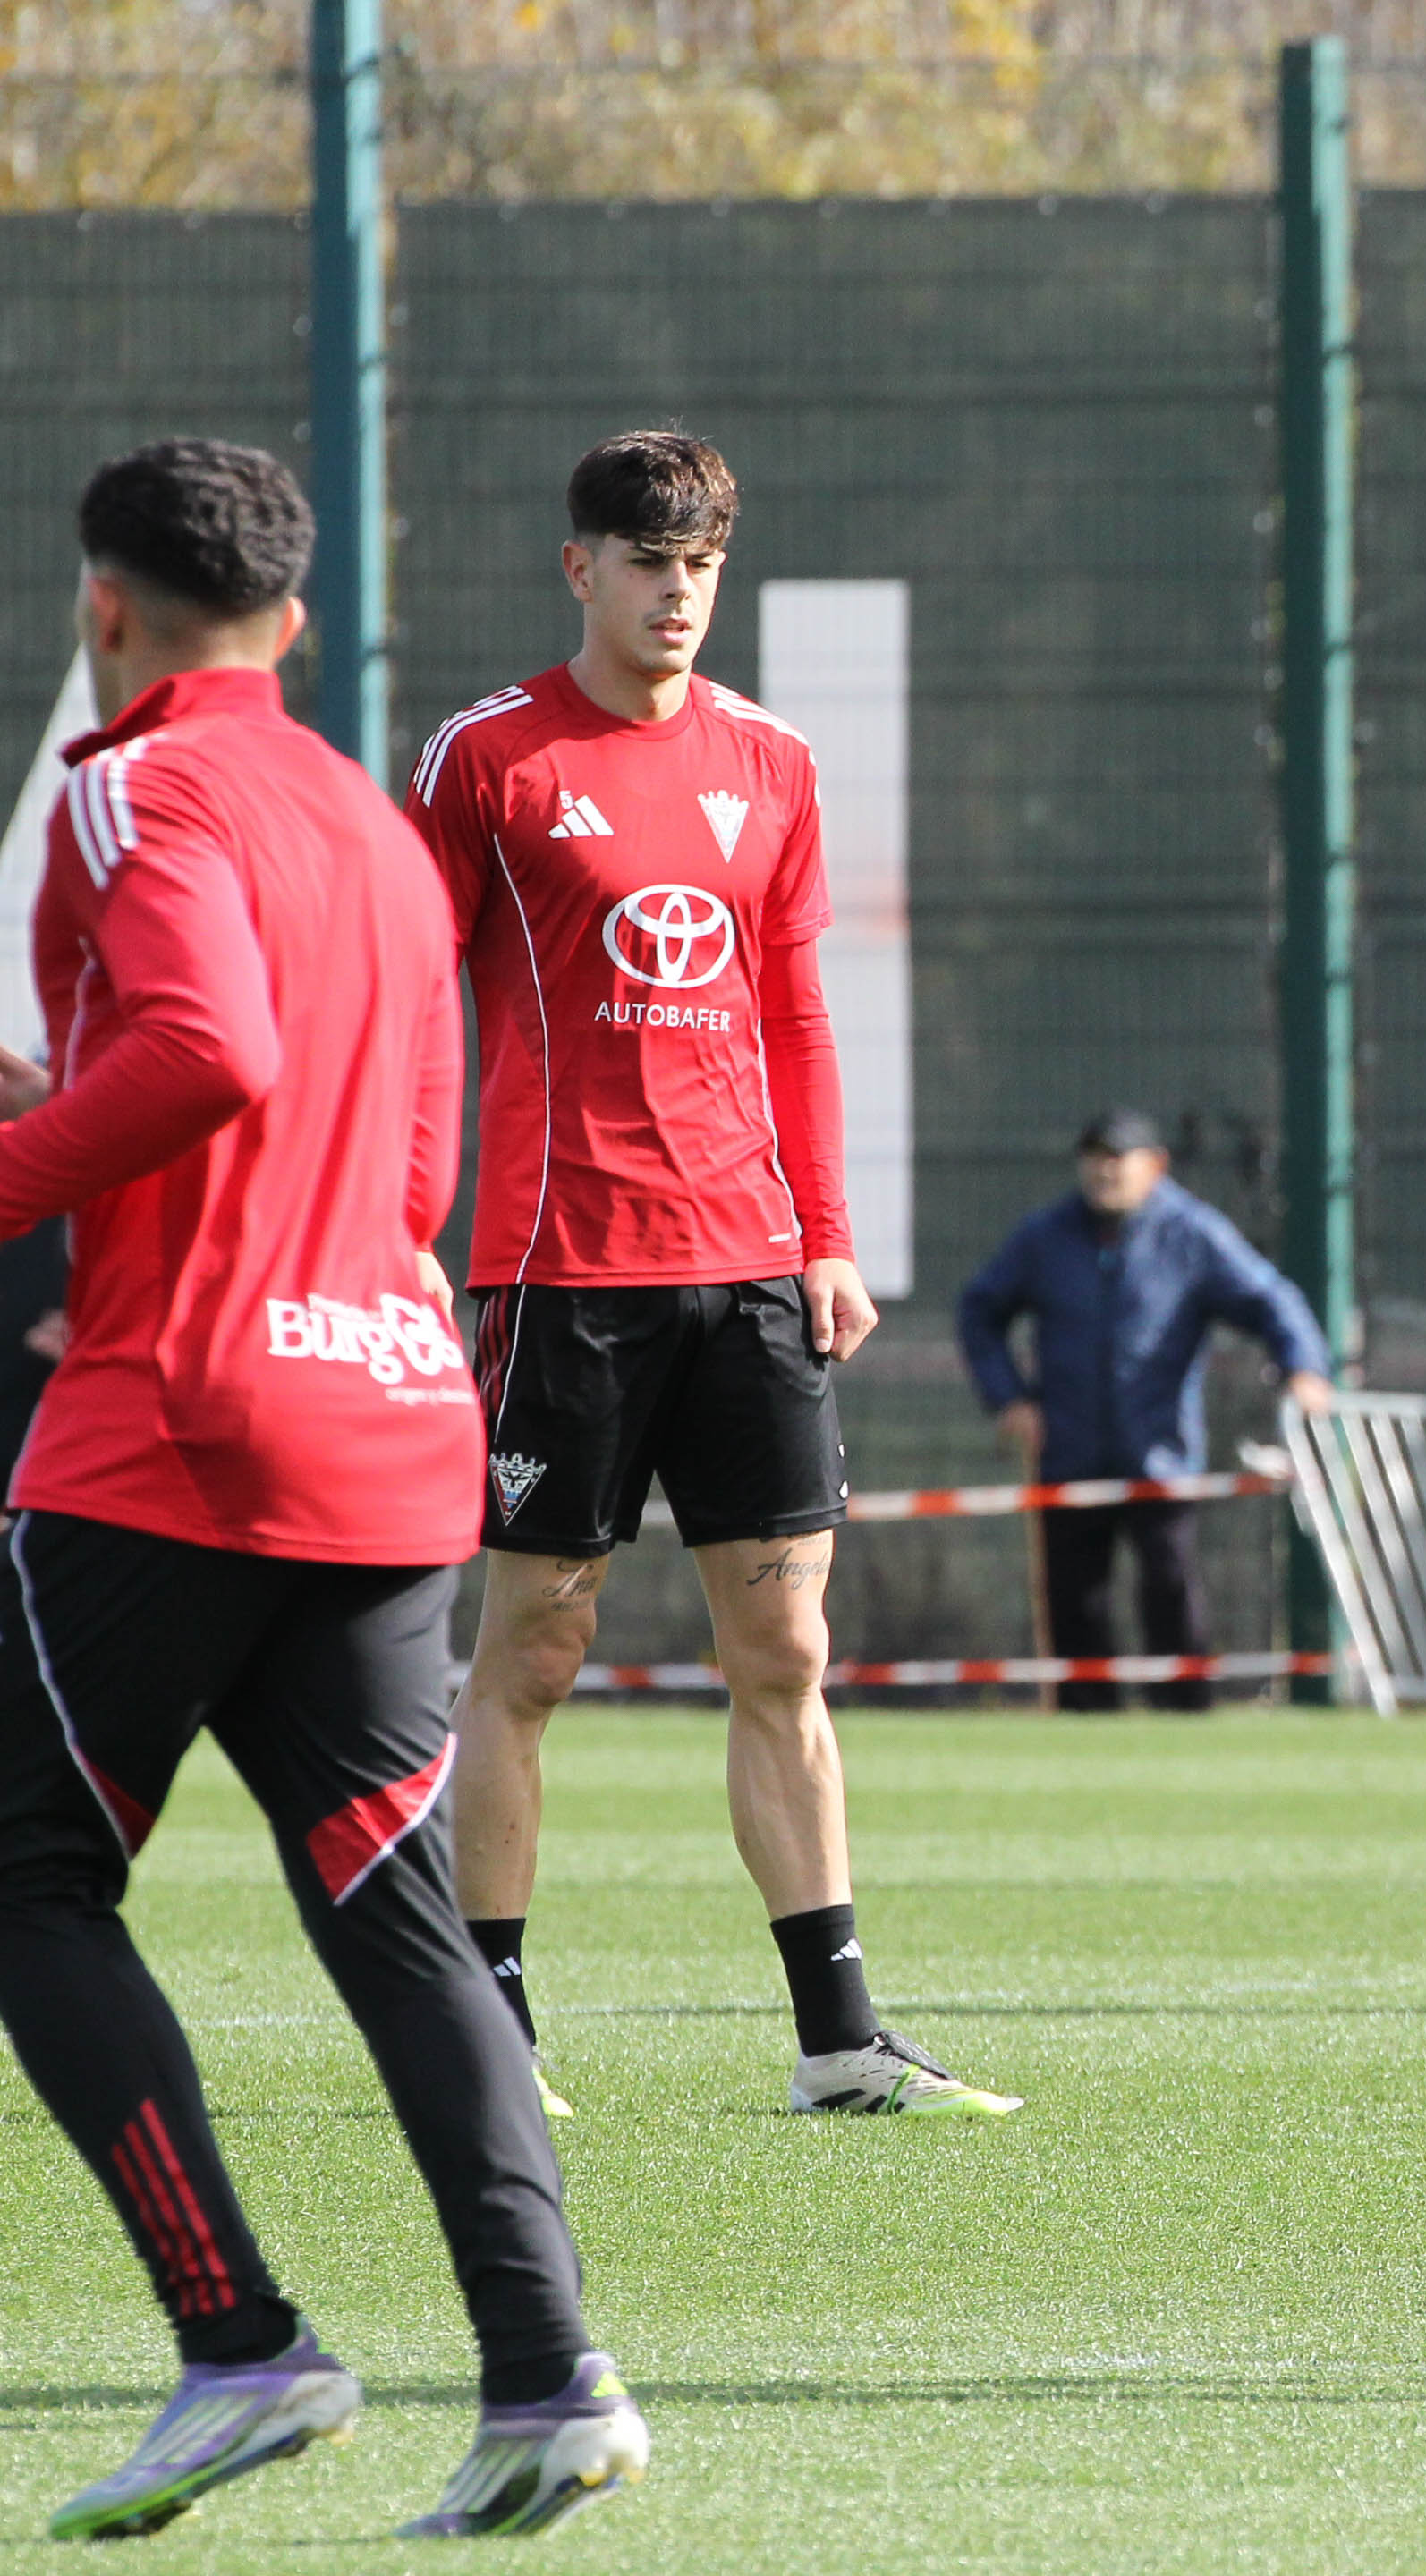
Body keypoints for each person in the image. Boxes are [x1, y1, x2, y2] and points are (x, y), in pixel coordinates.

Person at [0, 439, 646, 2541]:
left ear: (106, 610)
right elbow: (406, 1153)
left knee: (26, 1878)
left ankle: (240, 2338)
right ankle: (553, 2377)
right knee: (399, 1919)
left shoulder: (126, 784)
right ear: (290, 617)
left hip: (186, 1422)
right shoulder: (376, 827)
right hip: (385, 1414)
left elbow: (203, 1049)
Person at [407, 429, 1016, 2118]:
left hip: (749, 1272)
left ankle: (839, 2040)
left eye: (700, 565)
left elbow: (798, 1020)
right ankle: (492, 2035)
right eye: (645, 561)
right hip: (557, 1274)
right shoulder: (489, 758)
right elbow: (402, 997)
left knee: (788, 1652)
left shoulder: (774, 760)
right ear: (579, 567)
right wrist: (404, 1225)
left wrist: (826, 1232)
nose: (675, 593)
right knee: (533, 1646)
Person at [957, 1111, 1337, 1711]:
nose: (1104, 1170)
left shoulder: (1191, 1234)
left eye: (1119, 1157)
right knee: (1077, 1599)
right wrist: (1010, 1398)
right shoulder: (1047, 1236)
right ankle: (1088, 1721)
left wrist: (1305, 1368)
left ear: (1154, 1164)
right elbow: (979, 1310)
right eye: (1094, 1157)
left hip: (1158, 1450)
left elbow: (1272, 1301)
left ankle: (1184, 1713)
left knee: (1170, 1585)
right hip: (1070, 1448)